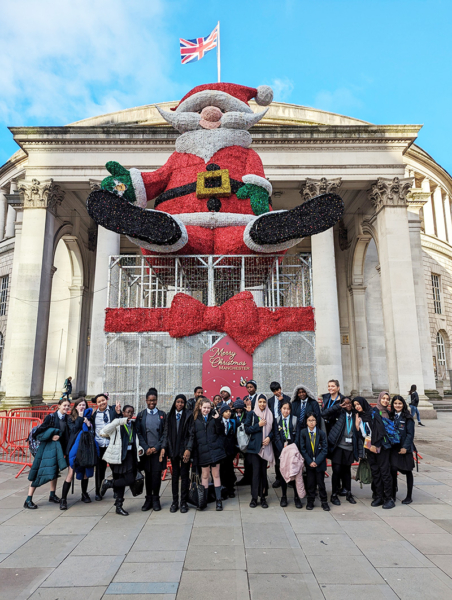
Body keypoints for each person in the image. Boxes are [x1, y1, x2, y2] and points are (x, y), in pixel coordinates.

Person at [24, 398, 70, 509]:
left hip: (58, 450)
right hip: (46, 450)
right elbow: (38, 433)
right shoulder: (51, 417)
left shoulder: (67, 418)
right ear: (59, 406)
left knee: (54, 471)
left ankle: (52, 494)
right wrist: (51, 436)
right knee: (37, 472)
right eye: (64, 405)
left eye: (68, 406)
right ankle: (28, 499)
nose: (66, 408)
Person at [99, 405, 143, 515]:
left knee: (129, 480)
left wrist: (140, 449)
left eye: (132, 412)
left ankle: (109, 483)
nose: (130, 414)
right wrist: (119, 421)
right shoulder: (117, 425)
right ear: (123, 413)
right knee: (123, 481)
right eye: (128, 412)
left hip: (129, 456)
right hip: (118, 457)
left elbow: (135, 440)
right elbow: (103, 431)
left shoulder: (132, 425)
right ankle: (118, 506)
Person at [322, 396, 360, 506]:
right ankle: (334, 494)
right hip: (338, 447)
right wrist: (338, 406)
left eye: (349, 403)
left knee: (347, 471)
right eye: (345, 403)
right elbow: (324, 414)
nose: (348, 405)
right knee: (336, 470)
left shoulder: (355, 415)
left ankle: (348, 492)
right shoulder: (339, 413)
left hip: (349, 447)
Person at [360, 391, 395, 510]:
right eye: (383, 398)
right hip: (372, 446)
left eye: (387, 399)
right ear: (379, 398)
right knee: (375, 472)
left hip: (384, 447)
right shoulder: (374, 411)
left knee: (385, 472)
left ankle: (389, 497)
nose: (385, 400)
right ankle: (379, 495)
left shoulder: (389, 413)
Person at [160, 394, 194, 513]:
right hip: (173, 450)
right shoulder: (169, 416)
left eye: (182, 402)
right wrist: (164, 447)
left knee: (185, 476)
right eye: (178, 402)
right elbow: (166, 434)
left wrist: (188, 449)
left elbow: (191, 435)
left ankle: (183, 502)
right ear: (175, 402)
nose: (180, 404)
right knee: (175, 477)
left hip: (184, 451)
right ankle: (175, 502)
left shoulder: (189, 415)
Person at [192, 397, 226, 511]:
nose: (206, 410)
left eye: (208, 407)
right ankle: (203, 501)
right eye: (204, 408)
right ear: (200, 407)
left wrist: (218, 420)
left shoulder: (215, 417)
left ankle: (218, 501)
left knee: (216, 475)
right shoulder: (196, 420)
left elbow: (221, 432)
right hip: (203, 452)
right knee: (205, 476)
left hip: (215, 451)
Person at [60, 398, 95, 510]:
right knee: (71, 473)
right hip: (74, 449)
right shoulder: (70, 418)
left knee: (85, 471)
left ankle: (84, 494)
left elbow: (92, 431)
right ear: (76, 407)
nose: (82, 407)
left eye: (84, 405)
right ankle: (63, 499)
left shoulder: (89, 417)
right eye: (80, 405)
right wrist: (80, 417)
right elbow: (74, 429)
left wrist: (89, 424)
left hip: (85, 448)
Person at [136, 387, 167, 511]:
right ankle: (148, 499)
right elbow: (138, 433)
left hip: (157, 452)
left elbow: (165, 433)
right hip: (146, 452)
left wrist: (157, 447)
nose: (152, 403)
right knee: (148, 475)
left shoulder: (162, 415)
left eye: (154, 400)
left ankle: (156, 499)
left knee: (156, 476)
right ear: (146, 400)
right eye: (149, 400)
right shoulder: (141, 415)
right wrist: (146, 447)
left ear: (157, 400)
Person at [244, 395, 274, 508]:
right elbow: (247, 429)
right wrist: (258, 425)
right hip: (255, 449)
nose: (262, 404)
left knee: (263, 473)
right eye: (260, 402)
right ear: (257, 402)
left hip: (266, 448)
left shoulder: (270, 414)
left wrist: (269, 438)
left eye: (264, 402)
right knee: (255, 474)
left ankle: (263, 497)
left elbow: (274, 429)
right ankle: (254, 498)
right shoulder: (252, 413)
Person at [92, 393, 122, 500]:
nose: (102, 403)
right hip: (100, 446)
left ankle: (116, 490)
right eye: (99, 402)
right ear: (96, 404)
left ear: (107, 400)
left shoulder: (113, 410)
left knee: (115, 470)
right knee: (100, 470)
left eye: (103, 400)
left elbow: (120, 423)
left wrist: (119, 413)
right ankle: (98, 492)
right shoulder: (94, 415)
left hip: (111, 445)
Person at [273, 400, 302, 508]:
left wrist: (293, 449)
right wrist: (282, 450)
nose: (286, 411)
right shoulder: (277, 421)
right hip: (281, 450)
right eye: (284, 408)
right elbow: (276, 437)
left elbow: (297, 436)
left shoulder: (295, 420)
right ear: (280, 409)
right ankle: (284, 496)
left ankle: (296, 497)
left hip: (292, 448)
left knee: (294, 473)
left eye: (288, 409)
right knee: (283, 473)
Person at [298, 413, 330, 511]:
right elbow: (302, 449)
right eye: (309, 420)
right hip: (309, 463)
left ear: (316, 421)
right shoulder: (303, 433)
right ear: (306, 422)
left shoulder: (321, 433)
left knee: (321, 483)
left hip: (319, 463)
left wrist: (317, 461)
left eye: (313, 420)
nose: (311, 422)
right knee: (310, 483)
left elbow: (325, 449)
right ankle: (310, 501)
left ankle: (324, 501)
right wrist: (309, 461)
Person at [238, 380, 266, 486]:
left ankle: (256, 479)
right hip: (248, 429)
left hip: (258, 431)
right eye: (248, 387)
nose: (249, 389)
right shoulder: (246, 398)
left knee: (257, 460)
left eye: (251, 387)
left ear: (255, 387)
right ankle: (247, 477)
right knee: (247, 458)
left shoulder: (259, 398)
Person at [390, 395, 416, 505]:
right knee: (393, 470)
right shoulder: (390, 416)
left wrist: (405, 447)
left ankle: (409, 496)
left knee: (407, 471)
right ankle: (393, 494)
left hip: (405, 448)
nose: (397, 405)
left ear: (403, 405)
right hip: (394, 448)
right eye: (395, 403)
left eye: (399, 403)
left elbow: (410, 434)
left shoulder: (408, 417)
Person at [267, 381, 291, 488]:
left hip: (286, 429)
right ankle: (278, 478)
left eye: (278, 390)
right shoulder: (270, 401)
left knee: (288, 456)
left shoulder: (287, 399)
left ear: (281, 388)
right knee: (278, 456)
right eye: (274, 391)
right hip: (275, 429)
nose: (277, 392)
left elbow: (289, 410)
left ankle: (289, 479)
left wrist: (283, 401)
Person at [353, 397, 377, 499]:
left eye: (358, 404)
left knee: (379, 470)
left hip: (377, 445)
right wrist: (357, 425)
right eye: (355, 405)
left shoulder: (372, 413)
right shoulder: (359, 416)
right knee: (373, 470)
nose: (357, 407)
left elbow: (377, 430)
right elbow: (360, 436)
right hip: (368, 447)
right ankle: (375, 492)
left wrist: (375, 445)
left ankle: (381, 492)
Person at [219, 404, 237, 498]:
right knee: (222, 470)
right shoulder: (218, 422)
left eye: (229, 411)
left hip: (230, 450)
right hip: (221, 450)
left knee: (230, 470)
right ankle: (223, 489)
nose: (228, 413)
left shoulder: (233, 422)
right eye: (226, 412)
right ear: (222, 413)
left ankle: (231, 489)